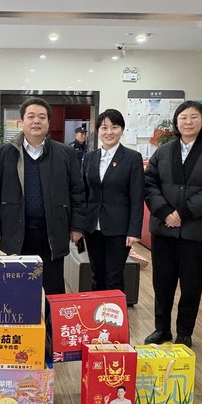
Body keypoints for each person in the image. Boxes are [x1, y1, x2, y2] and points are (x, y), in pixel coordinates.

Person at [144, 101, 202, 348]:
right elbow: (149, 183)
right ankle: (162, 329)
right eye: (183, 117)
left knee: (191, 285)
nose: (188, 122)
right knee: (162, 283)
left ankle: (184, 332)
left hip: (197, 230)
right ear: (176, 122)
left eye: (194, 117)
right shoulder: (163, 151)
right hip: (164, 229)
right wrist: (164, 211)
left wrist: (183, 212)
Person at [0, 97, 86, 296]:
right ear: (22, 121)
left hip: (52, 231)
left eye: (41, 117)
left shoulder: (65, 153)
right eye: (31, 116)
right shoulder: (6, 153)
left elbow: (77, 192)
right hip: (17, 231)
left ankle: (52, 318)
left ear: (48, 122)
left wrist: (77, 226)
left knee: (54, 288)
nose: (36, 121)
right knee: (19, 291)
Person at [82, 109, 144, 291]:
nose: (109, 132)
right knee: (97, 275)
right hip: (92, 227)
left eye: (114, 127)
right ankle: (97, 310)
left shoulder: (132, 158)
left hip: (119, 229)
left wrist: (134, 230)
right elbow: (83, 193)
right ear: (98, 131)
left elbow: (137, 197)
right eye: (104, 127)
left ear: (122, 129)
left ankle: (114, 311)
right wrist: (78, 224)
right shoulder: (90, 157)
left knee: (114, 277)